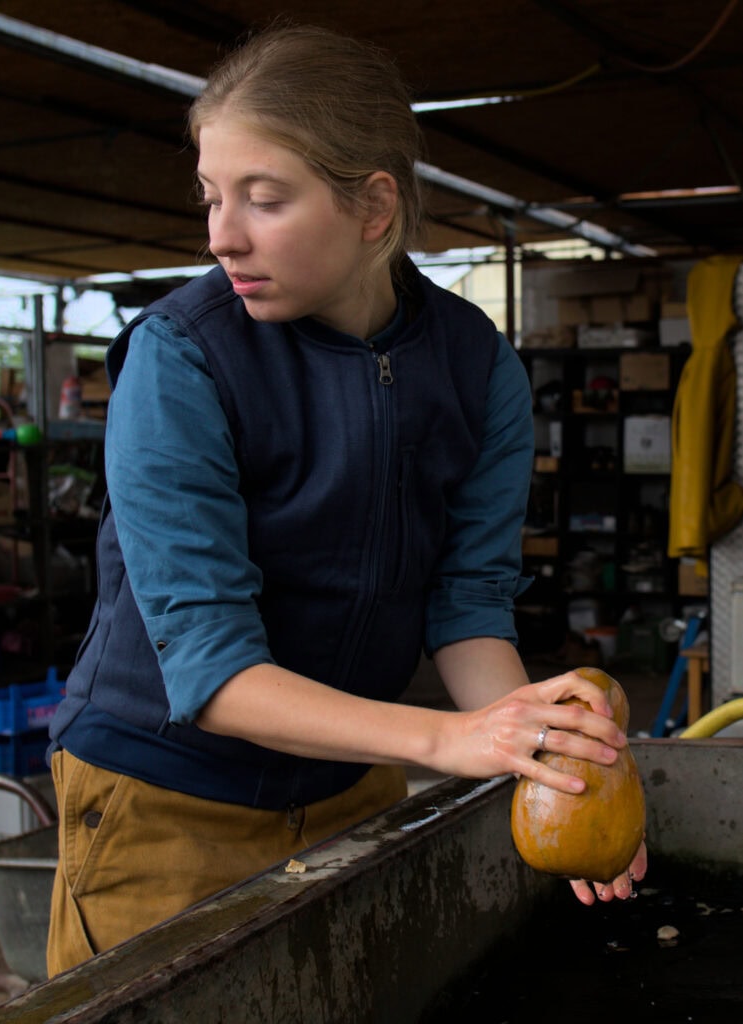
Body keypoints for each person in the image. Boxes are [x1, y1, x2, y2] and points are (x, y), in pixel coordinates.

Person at [46, 22, 646, 976]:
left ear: (373, 206)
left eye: (264, 198)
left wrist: (551, 766)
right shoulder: (181, 356)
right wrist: (451, 738)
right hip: (163, 795)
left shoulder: (475, 365)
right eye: (211, 196)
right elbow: (209, 667)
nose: (221, 235)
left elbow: (466, 605)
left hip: (347, 778)